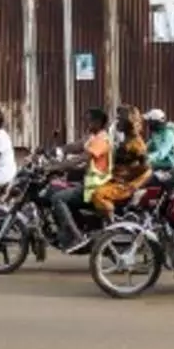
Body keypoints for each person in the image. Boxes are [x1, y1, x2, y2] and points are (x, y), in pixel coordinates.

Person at [49, 108, 113, 253]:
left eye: (89, 120)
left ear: (97, 122)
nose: (86, 123)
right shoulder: (93, 137)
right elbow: (77, 146)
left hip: (95, 187)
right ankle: (75, 228)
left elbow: (82, 158)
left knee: (57, 198)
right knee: (61, 188)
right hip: (90, 184)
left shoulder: (102, 139)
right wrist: (59, 150)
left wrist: (54, 167)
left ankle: (76, 236)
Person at [89, 106, 153, 218]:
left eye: (120, 119)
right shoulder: (126, 139)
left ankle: (110, 223)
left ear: (128, 122)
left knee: (97, 194)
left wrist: (129, 181)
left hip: (123, 185)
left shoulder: (136, 144)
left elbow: (146, 168)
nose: (117, 121)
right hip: (114, 179)